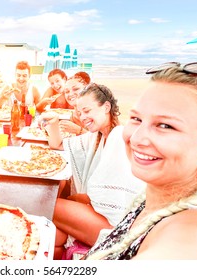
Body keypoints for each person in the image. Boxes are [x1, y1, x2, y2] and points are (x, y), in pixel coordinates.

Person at [86, 62, 197, 260]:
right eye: (136, 119)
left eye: (165, 125)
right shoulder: (156, 200)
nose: (137, 139)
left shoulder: (195, 233)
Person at [40, 83, 145, 260]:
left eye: (87, 111)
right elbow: (58, 145)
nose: (82, 117)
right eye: (79, 112)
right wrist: (54, 121)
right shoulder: (96, 136)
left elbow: (110, 199)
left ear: (106, 107)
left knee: (47, 204)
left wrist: (73, 199)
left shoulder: (118, 137)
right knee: (55, 235)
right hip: (101, 214)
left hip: (117, 226)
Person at [59, 71, 91, 135]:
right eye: (67, 91)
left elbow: (105, 142)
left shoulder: (97, 111)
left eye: (76, 89)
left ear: (86, 89)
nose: (70, 94)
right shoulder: (74, 115)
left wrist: (78, 130)